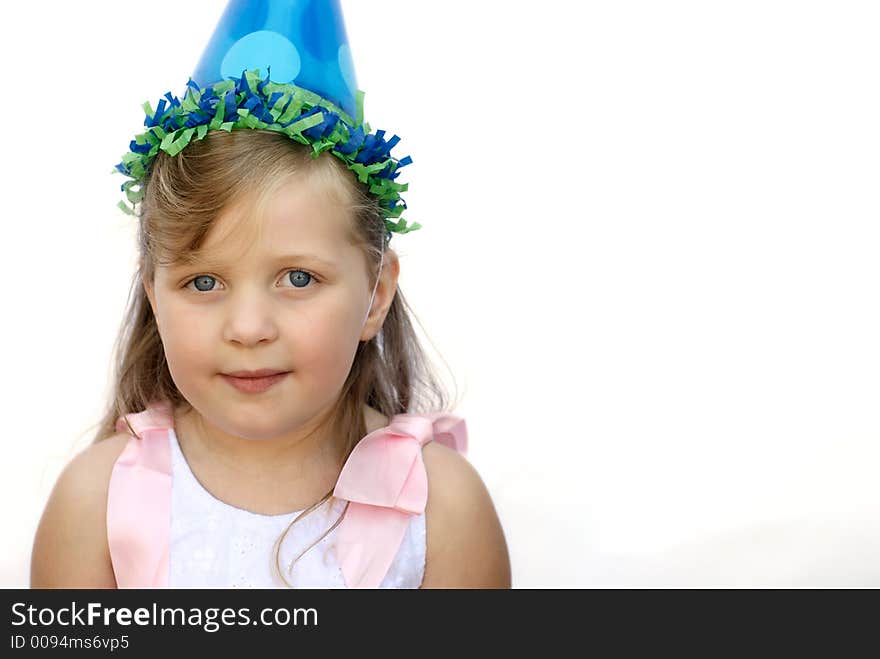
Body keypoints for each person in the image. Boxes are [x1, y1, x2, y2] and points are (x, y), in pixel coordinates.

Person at [30, 0, 510, 589]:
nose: (249, 327)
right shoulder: (96, 502)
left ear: (376, 294)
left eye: (298, 279)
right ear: (153, 292)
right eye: (203, 282)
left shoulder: (444, 511)